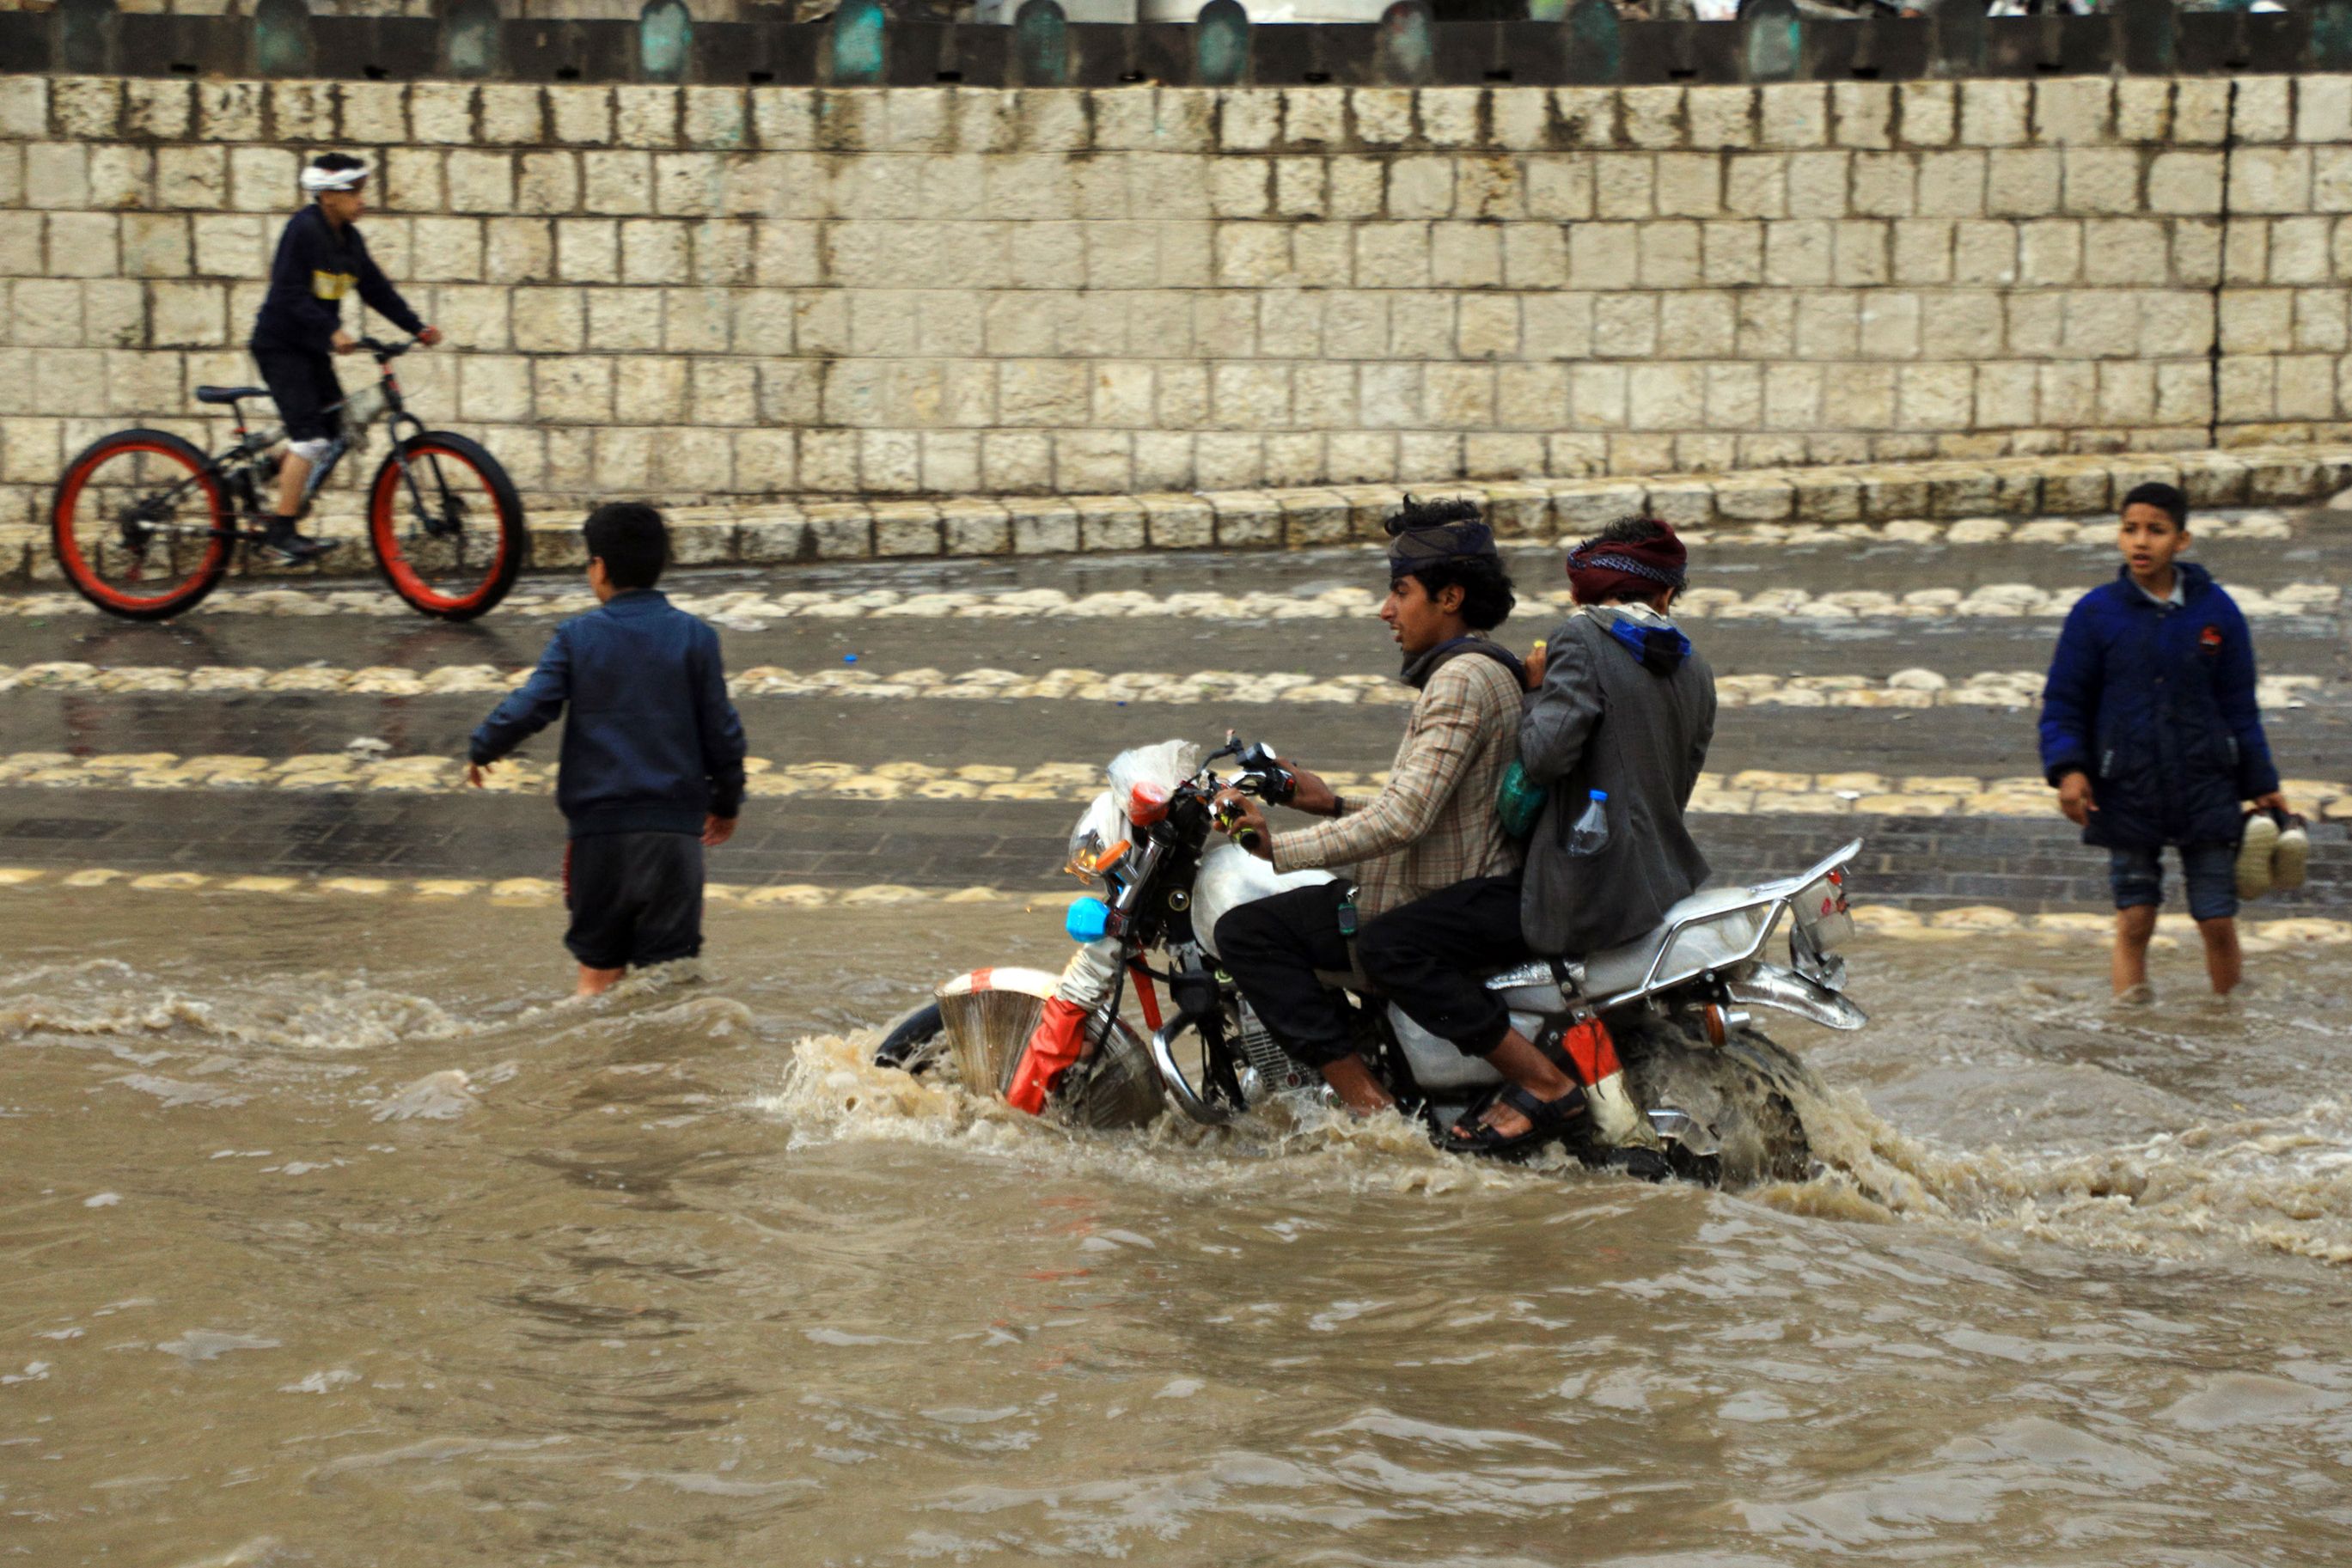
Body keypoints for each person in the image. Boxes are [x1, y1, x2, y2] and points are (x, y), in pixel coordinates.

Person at [1357, 517, 1716, 1157]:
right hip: (1657, 885)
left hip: (1578, 891)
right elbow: (1677, 783)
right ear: (1664, 597)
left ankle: (1536, 1084)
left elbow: (1547, 755)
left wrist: (1531, 693)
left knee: (1388, 943)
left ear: (1585, 591)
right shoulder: (1693, 664)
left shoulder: (1578, 639)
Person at [1208, 498, 1526, 1116]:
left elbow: (1406, 818)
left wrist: (1278, 848)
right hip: (1441, 880)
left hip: (1433, 900)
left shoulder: (1461, 679)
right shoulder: (1477, 671)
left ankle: (1368, 1106)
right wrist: (1330, 804)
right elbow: (1433, 805)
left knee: (1247, 932)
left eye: (1400, 592)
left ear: (1450, 597)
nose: (1386, 610)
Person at [467, 503, 747, 997]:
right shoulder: (695, 638)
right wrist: (725, 802)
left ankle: (594, 1072)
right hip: (673, 840)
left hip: (600, 838)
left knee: (596, 978)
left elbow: (533, 703)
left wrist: (485, 744)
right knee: (670, 984)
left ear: (599, 567)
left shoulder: (578, 637)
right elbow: (722, 730)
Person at [2039, 481, 2290, 1000]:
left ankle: (2229, 1023)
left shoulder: (2217, 612)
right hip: (2126, 786)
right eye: (2130, 529)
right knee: (2135, 916)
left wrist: (2262, 783)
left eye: (2156, 530)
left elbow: (2240, 706)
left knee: (2217, 918)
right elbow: (2065, 701)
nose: (2141, 542)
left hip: (2208, 786)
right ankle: (2129, 1023)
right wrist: (2070, 770)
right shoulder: (2096, 614)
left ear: (2182, 540)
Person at [248, 151, 441, 563]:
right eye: (353, 191)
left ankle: (265, 472)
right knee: (310, 437)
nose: (362, 199)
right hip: (281, 346)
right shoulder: (302, 230)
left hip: (311, 349)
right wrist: (331, 330)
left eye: (361, 190)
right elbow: (287, 294)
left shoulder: (349, 241)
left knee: (333, 427)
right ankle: (279, 533)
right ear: (327, 196)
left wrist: (416, 327)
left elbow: (375, 289)